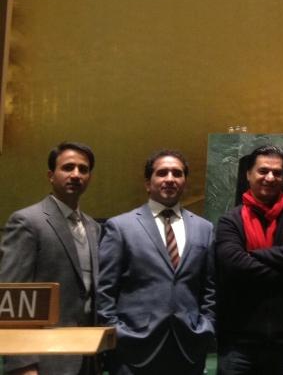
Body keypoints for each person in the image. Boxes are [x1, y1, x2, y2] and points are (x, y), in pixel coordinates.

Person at [97, 150, 215, 375]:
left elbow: (210, 288)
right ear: (147, 184)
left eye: (177, 173)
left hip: (188, 348)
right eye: (162, 173)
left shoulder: (204, 228)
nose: (170, 179)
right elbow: (105, 290)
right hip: (133, 350)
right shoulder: (120, 227)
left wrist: (206, 326)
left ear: (185, 182)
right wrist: (117, 332)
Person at [215, 145, 283, 375]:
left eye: (277, 173)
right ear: (248, 174)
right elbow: (233, 264)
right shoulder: (230, 221)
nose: (270, 177)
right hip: (238, 345)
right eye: (263, 171)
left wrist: (254, 255)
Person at [0, 142, 100, 375]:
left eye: (83, 169)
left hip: (88, 358)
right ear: (51, 175)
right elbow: (12, 298)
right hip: (45, 360)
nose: (76, 174)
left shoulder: (94, 227)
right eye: (68, 167)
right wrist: (22, 364)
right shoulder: (27, 221)